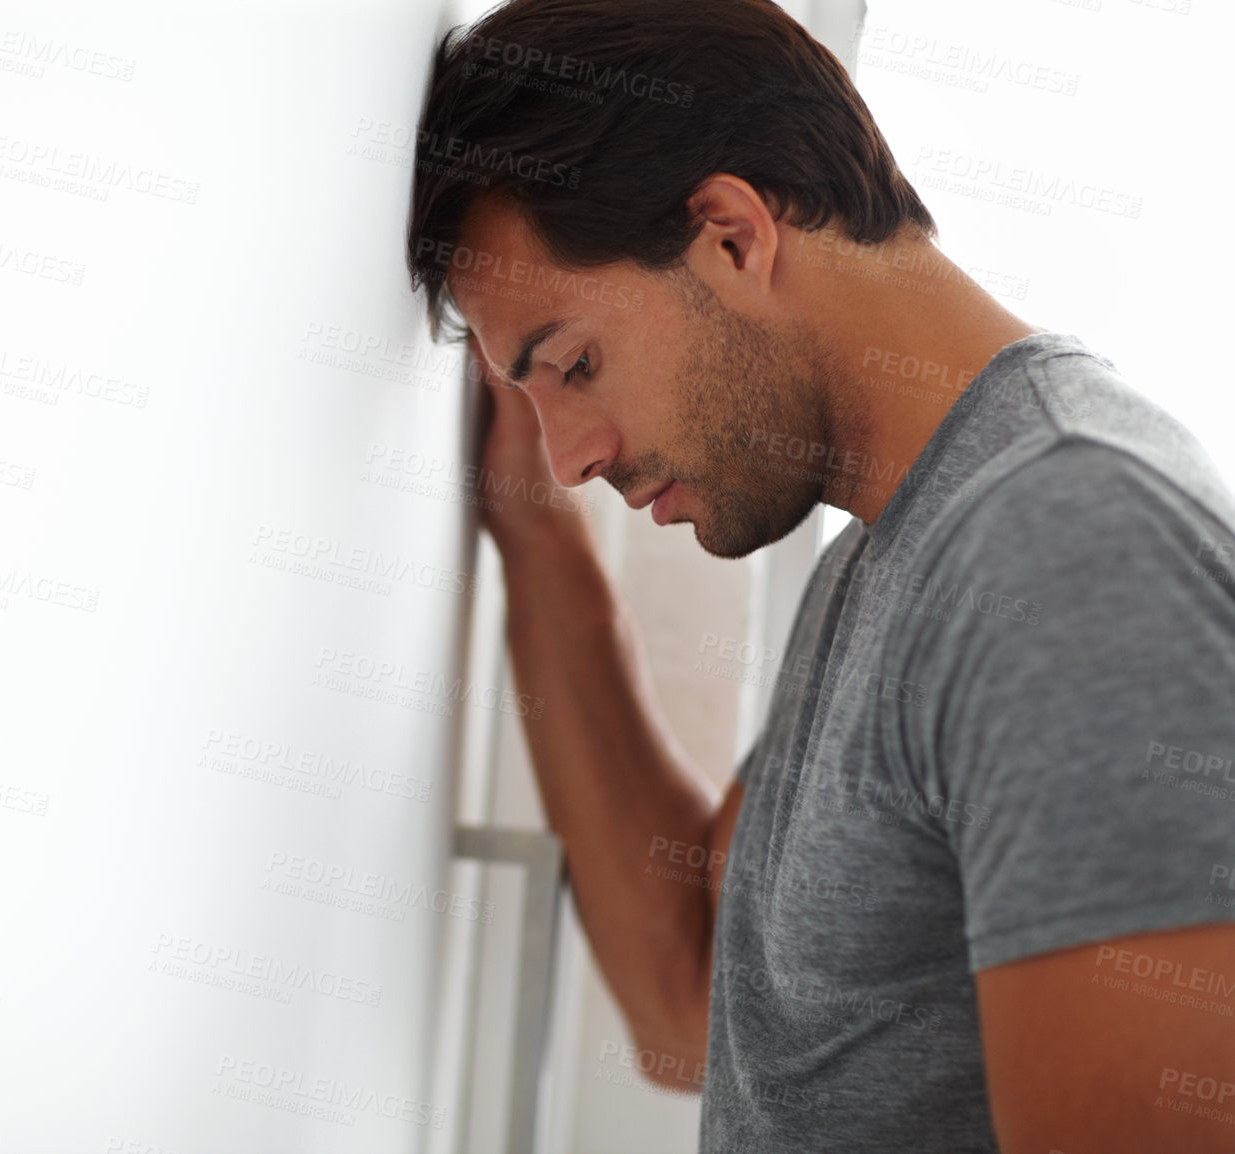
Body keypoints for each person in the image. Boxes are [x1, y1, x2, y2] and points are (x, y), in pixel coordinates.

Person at [403, 1, 1235, 1150]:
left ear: (732, 235)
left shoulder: (1067, 542)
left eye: (576, 363)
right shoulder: (884, 558)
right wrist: (538, 545)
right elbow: (694, 1001)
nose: (570, 455)